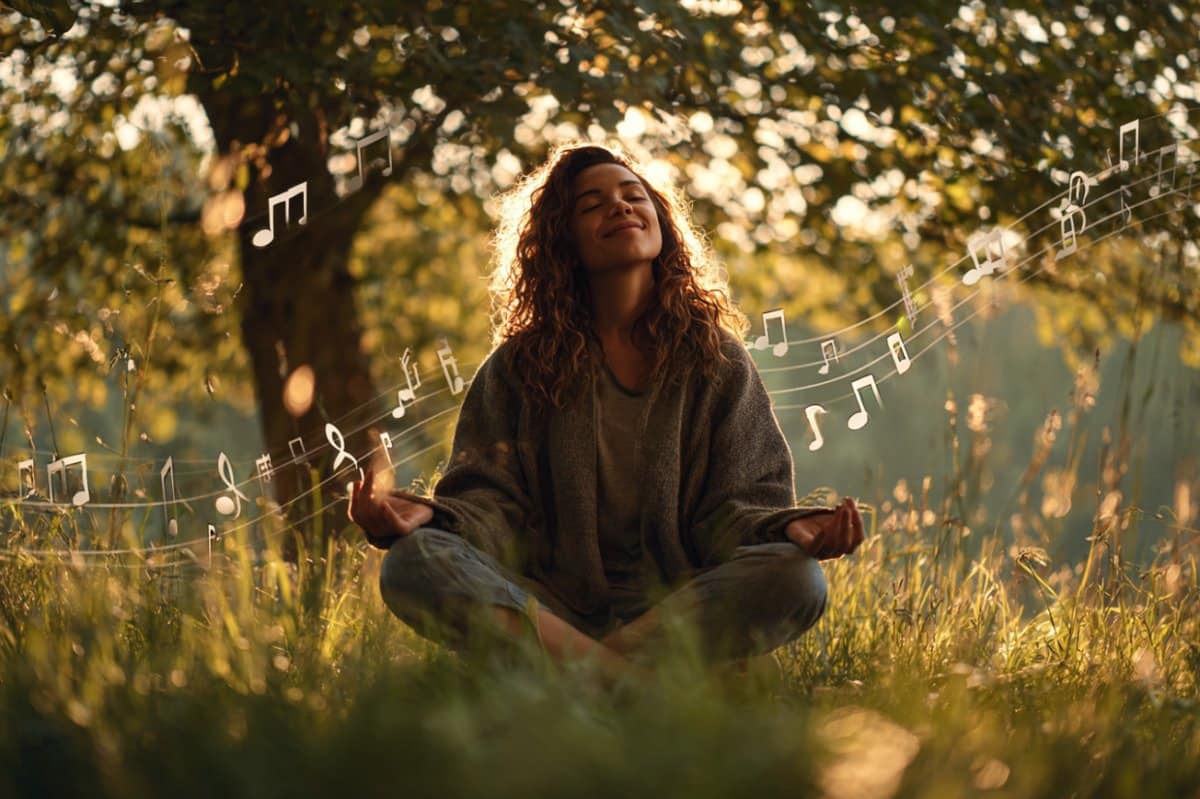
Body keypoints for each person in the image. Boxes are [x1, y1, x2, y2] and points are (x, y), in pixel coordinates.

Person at [348, 142, 864, 687]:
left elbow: (738, 509)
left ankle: (582, 675)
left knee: (796, 579)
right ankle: (637, 683)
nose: (619, 207)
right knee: (412, 562)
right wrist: (434, 519)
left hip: (675, 605)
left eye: (632, 195)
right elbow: (491, 505)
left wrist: (789, 527)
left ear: (661, 222)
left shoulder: (716, 359)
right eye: (592, 204)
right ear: (563, 240)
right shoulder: (519, 366)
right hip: (551, 607)